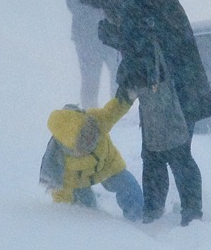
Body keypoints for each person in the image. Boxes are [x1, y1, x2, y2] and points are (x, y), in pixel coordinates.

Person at [77, 0, 211, 226]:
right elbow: (144, 44)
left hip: (175, 89)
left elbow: (144, 47)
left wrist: (116, 39)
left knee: (175, 153)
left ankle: (191, 219)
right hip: (164, 89)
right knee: (154, 153)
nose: (104, 8)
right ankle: (153, 215)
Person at [39, 92, 143, 222]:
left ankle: (138, 222)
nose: (90, 141)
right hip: (80, 183)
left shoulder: (96, 120)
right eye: (82, 142)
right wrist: (63, 211)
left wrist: (127, 96)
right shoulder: (59, 158)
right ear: (70, 147)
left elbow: (114, 110)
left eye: (89, 133)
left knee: (130, 189)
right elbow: (61, 192)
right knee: (86, 212)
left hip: (109, 165)